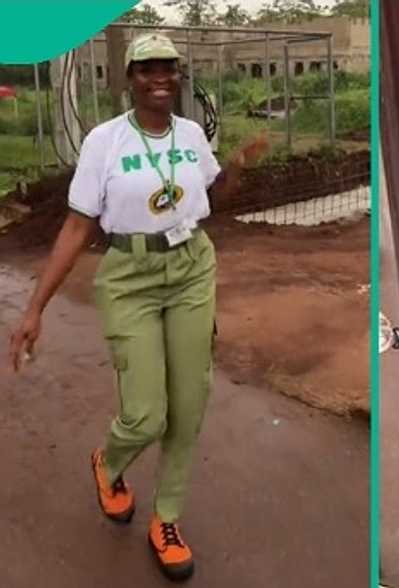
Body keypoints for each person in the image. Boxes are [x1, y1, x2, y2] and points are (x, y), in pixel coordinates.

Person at [7, 33, 268, 582]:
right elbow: (76, 226)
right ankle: (109, 459)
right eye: (147, 68)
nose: (159, 77)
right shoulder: (105, 142)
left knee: (188, 406)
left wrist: (237, 168)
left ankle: (166, 519)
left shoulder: (191, 134)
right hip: (130, 276)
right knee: (147, 413)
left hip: (191, 267)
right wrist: (34, 309)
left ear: (178, 74)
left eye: (168, 67)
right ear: (129, 78)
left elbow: (212, 199)